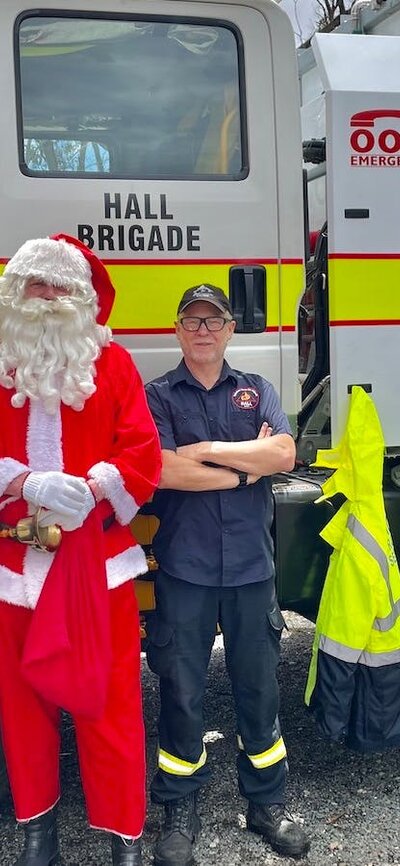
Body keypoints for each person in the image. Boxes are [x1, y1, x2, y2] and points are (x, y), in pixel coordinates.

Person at [0, 234, 161, 866]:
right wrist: (21, 481)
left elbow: (143, 454)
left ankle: (124, 834)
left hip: (98, 567)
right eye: (34, 284)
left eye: (58, 286)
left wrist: (94, 488)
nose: (46, 297)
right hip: (16, 568)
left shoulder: (114, 364)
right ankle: (38, 833)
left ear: (82, 298)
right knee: (22, 705)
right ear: (17, 293)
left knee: (110, 703)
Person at [145, 283, 311, 866]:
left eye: (213, 321)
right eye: (192, 321)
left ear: (229, 330)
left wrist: (207, 449)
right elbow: (162, 471)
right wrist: (245, 467)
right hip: (185, 570)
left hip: (248, 569)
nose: (203, 330)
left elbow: (284, 456)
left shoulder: (257, 389)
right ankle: (178, 809)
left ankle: (266, 805)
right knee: (181, 693)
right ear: (178, 329)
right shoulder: (157, 395)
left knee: (260, 691)